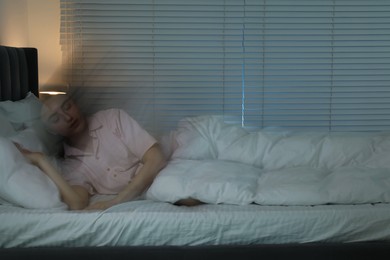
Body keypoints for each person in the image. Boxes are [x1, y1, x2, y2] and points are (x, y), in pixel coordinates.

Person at [17, 93, 167, 211]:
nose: (68, 117)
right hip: (159, 186)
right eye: (56, 119)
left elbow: (157, 158)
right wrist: (42, 161)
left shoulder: (113, 118)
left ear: (76, 104)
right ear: (52, 131)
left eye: (67, 106)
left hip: (171, 163)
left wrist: (115, 201)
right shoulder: (71, 167)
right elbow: (77, 203)